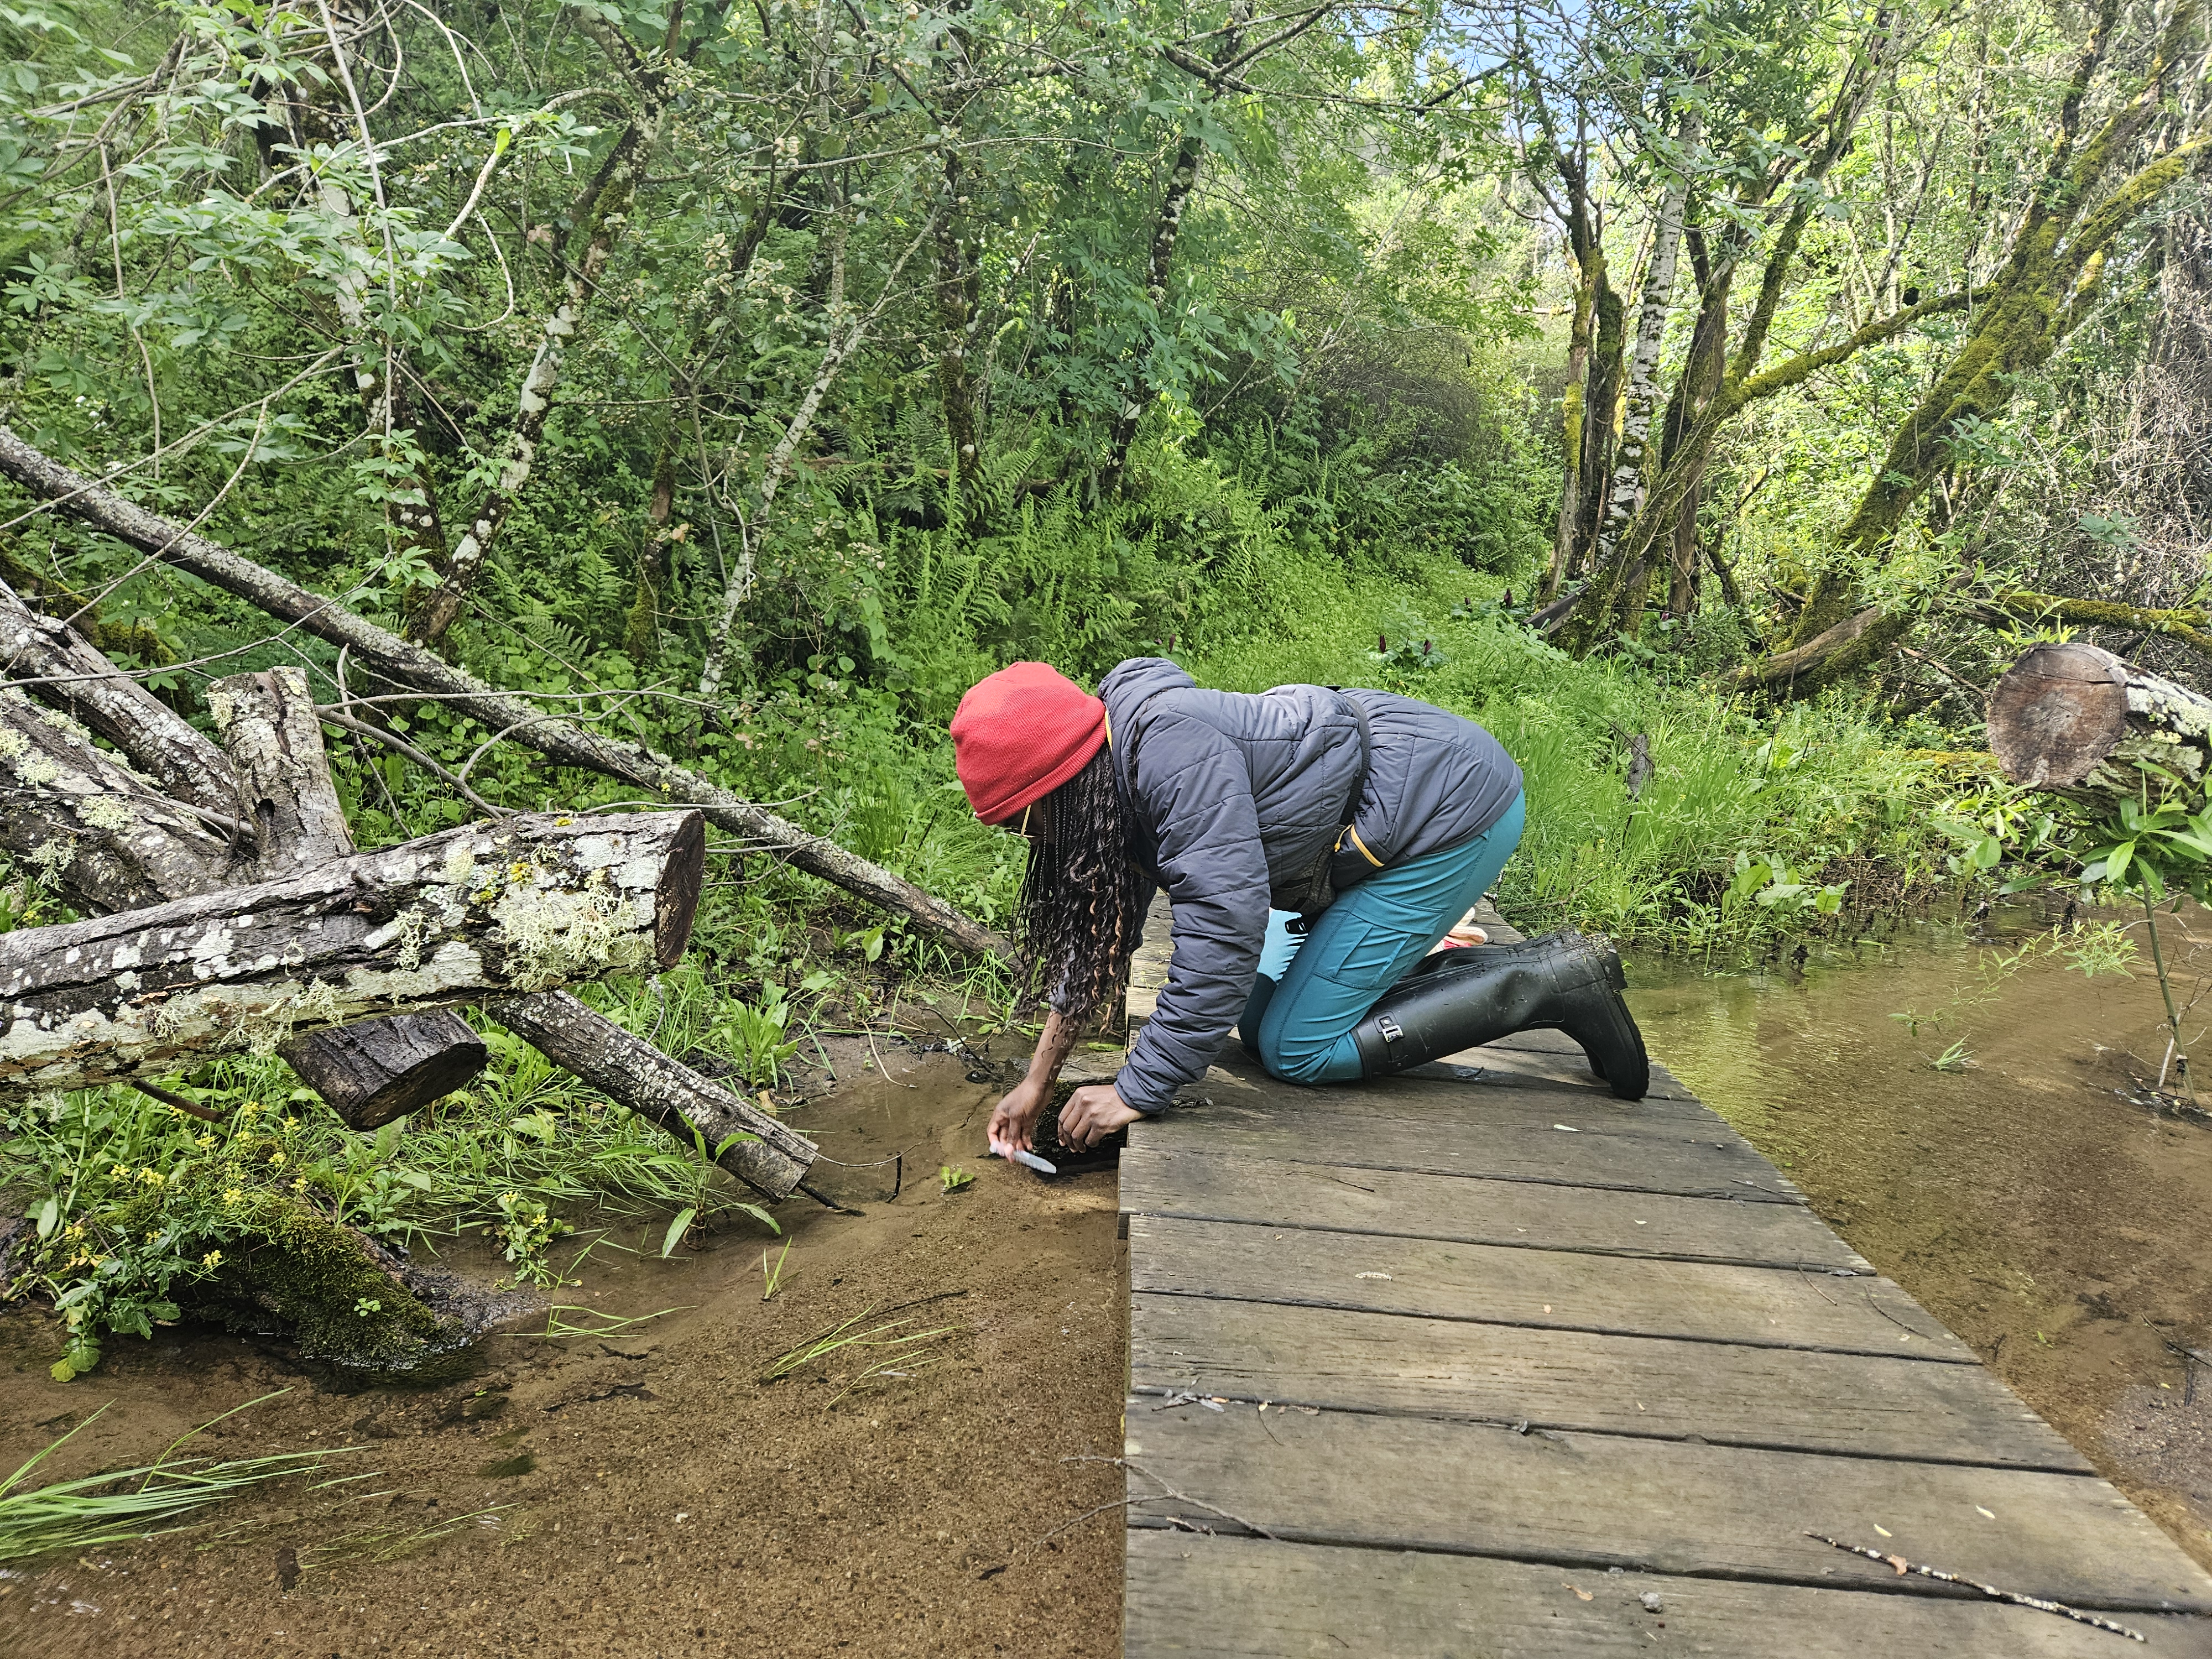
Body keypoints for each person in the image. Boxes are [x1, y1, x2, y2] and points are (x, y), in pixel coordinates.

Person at [950, 658, 1648, 1158]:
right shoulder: (1109, 778)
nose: (1026, 839)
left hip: (1447, 814)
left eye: (1023, 821)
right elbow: (1098, 938)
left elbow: (1224, 929)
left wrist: (1139, 1089)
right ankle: (1497, 965)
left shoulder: (1170, 757)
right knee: (1255, 1026)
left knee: (1296, 1048)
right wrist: (1036, 1080)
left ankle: (1553, 985)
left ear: (1060, 784)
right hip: (1378, 824)